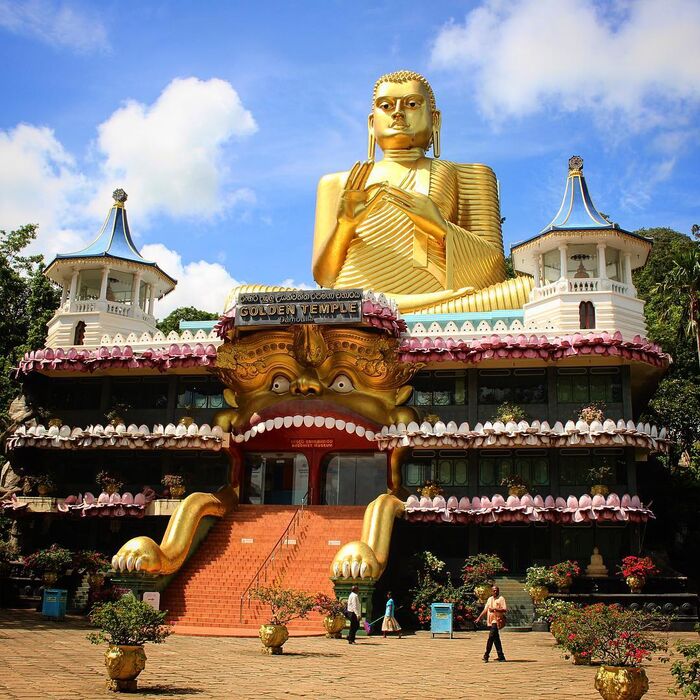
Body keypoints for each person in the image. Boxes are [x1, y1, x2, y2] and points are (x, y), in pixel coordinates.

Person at [312, 70, 533, 314]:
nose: (397, 113)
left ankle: (392, 311)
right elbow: (326, 279)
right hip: (353, 304)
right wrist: (345, 226)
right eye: (385, 106)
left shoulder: (468, 174)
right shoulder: (338, 183)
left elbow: (494, 272)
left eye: (412, 104)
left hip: (437, 303)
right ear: (371, 123)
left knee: (525, 290)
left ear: (435, 119)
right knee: (262, 295)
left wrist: (438, 226)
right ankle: (380, 310)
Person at [475, 584, 507, 662]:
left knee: (491, 637)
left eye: (497, 590)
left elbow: (504, 609)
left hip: (497, 620)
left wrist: (495, 609)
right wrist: (479, 617)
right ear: (491, 592)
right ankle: (501, 656)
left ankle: (486, 655)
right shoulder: (490, 599)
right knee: (496, 639)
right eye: (494, 590)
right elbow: (486, 609)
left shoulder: (501, 599)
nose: (495, 592)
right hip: (491, 620)